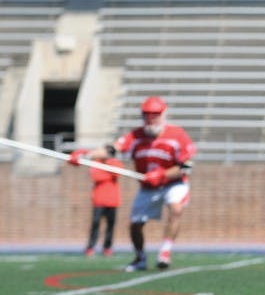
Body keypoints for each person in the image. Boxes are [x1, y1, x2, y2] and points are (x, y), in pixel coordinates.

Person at [69, 96, 197, 272]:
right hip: (148, 186)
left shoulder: (177, 135)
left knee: (176, 208)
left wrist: (162, 174)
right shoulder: (135, 136)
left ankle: (165, 252)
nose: (151, 119)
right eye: (147, 115)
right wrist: (85, 155)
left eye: (155, 115)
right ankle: (140, 258)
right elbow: (111, 150)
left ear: (163, 114)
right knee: (135, 224)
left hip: (172, 183)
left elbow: (186, 166)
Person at [83, 152, 124, 257]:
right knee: (95, 224)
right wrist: (108, 173)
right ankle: (90, 247)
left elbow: (117, 173)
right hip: (99, 200)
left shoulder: (115, 162)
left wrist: (107, 168)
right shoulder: (96, 163)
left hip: (113, 201)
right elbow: (96, 176)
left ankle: (107, 247)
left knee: (110, 226)